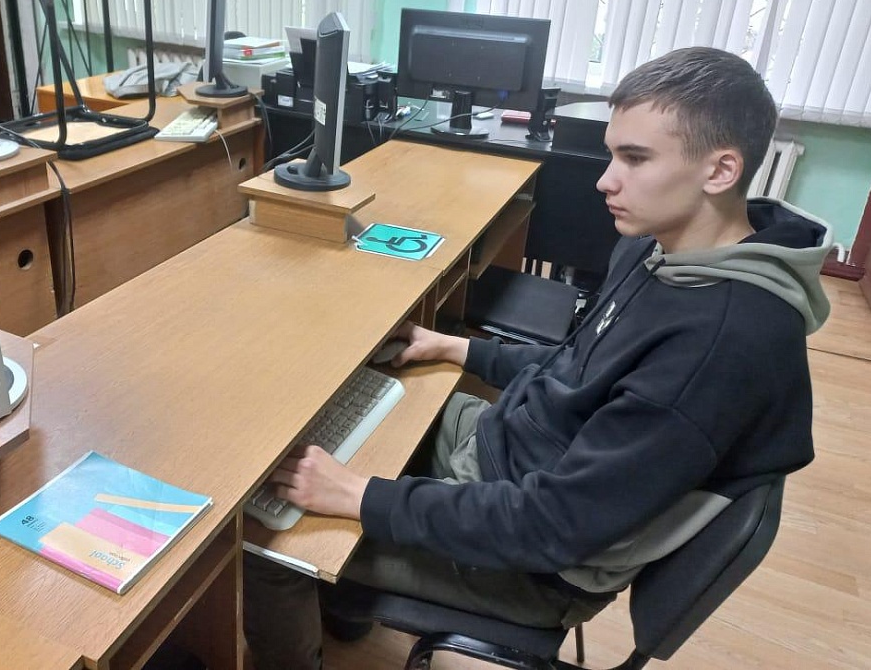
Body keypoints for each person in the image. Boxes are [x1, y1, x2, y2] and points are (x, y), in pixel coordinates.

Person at [243, 46, 833, 670]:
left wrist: (361, 497)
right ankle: (345, 608)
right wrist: (459, 347)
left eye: (635, 159)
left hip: (536, 563)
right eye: (612, 154)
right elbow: (584, 363)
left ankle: (324, 602)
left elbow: (555, 524)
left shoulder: (720, 345)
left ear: (720, 170)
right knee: (359, 411)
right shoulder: (662, 249)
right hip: (512, 452)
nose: (605, 180)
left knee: (269, 539)